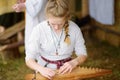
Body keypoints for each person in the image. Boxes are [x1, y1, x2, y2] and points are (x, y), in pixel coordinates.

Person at [25, 0, 87, 79]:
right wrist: (41, 69)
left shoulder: (74, 29)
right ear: (47, 17)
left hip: (67, 70)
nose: (56, 27)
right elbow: (29, 58)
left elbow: (83, 53)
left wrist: (74, 62)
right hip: (44, 69)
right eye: (52, 24)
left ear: (67, 18)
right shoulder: (39, 29)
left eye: (60, 24)